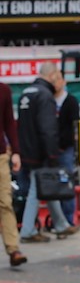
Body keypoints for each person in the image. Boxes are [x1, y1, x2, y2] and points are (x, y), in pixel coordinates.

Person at [16, 62, 72, 244]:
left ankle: (62, 224)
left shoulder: (26, 94)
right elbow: (48, 129)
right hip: (40, 152)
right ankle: (27, 231)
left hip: (27, 150)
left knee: (45, 186)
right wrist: (53, 154)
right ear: (52, 75)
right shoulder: (45, 96)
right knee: (36, 189)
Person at [0, 80, 26, 266]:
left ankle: (13, 248)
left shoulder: (4, 90)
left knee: (5, 201)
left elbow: (9, 123)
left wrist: (15, 152)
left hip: (0, 155)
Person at [54, 74, 80, 233]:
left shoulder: (71, 101)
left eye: (58, 79)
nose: (56, 83)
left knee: (67, 184)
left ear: (64, 81)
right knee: (53, 186)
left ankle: (69, 220)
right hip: (51, 151)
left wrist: (67, 146)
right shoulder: (48, 101)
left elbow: (74, 127)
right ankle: (58, 221)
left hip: (66, 150)